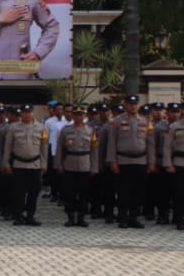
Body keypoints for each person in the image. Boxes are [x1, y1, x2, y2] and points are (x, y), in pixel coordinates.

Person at [105, 94, 156, 228]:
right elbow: (112, 142)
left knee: (138, 191)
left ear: (138, 105)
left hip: (140, 160)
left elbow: (150, 143)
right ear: (125, 105)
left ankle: (134, 217)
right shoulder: (116, 121)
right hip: (123, 161)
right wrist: (112, 161)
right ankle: (123, 217)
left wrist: (151, 162)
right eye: (130, 104)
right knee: (123, 191)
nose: (133, 106)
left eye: (135, 104)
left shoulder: (145, 121)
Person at [2, 104, 50, 225]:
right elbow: (7, 147)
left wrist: (44, 164)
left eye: (29, 112)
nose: (27, 114)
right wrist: (6, 163)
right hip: (19, 164)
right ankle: (18, 216)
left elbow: (44, 147)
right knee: (18, 192)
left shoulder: (41, 127)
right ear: (21, 114)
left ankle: (30, 216)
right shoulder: (13, 127)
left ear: (32, 113)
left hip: (35, 164)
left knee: (34, 192)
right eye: (24, 112)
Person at [57, 106, 98, 227]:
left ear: (84, 116)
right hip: (70, 164)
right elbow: (60, 148)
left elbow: (94, 150)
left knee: (84, 193)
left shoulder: (90, 130)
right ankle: (70, 217)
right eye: (76, 114)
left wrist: (94, 167)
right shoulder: (66, 130)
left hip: (85, 164)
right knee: (69, 193)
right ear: (73, 116)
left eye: (81, 114)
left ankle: (81, 218)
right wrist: (58, 164)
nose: (79, 117)